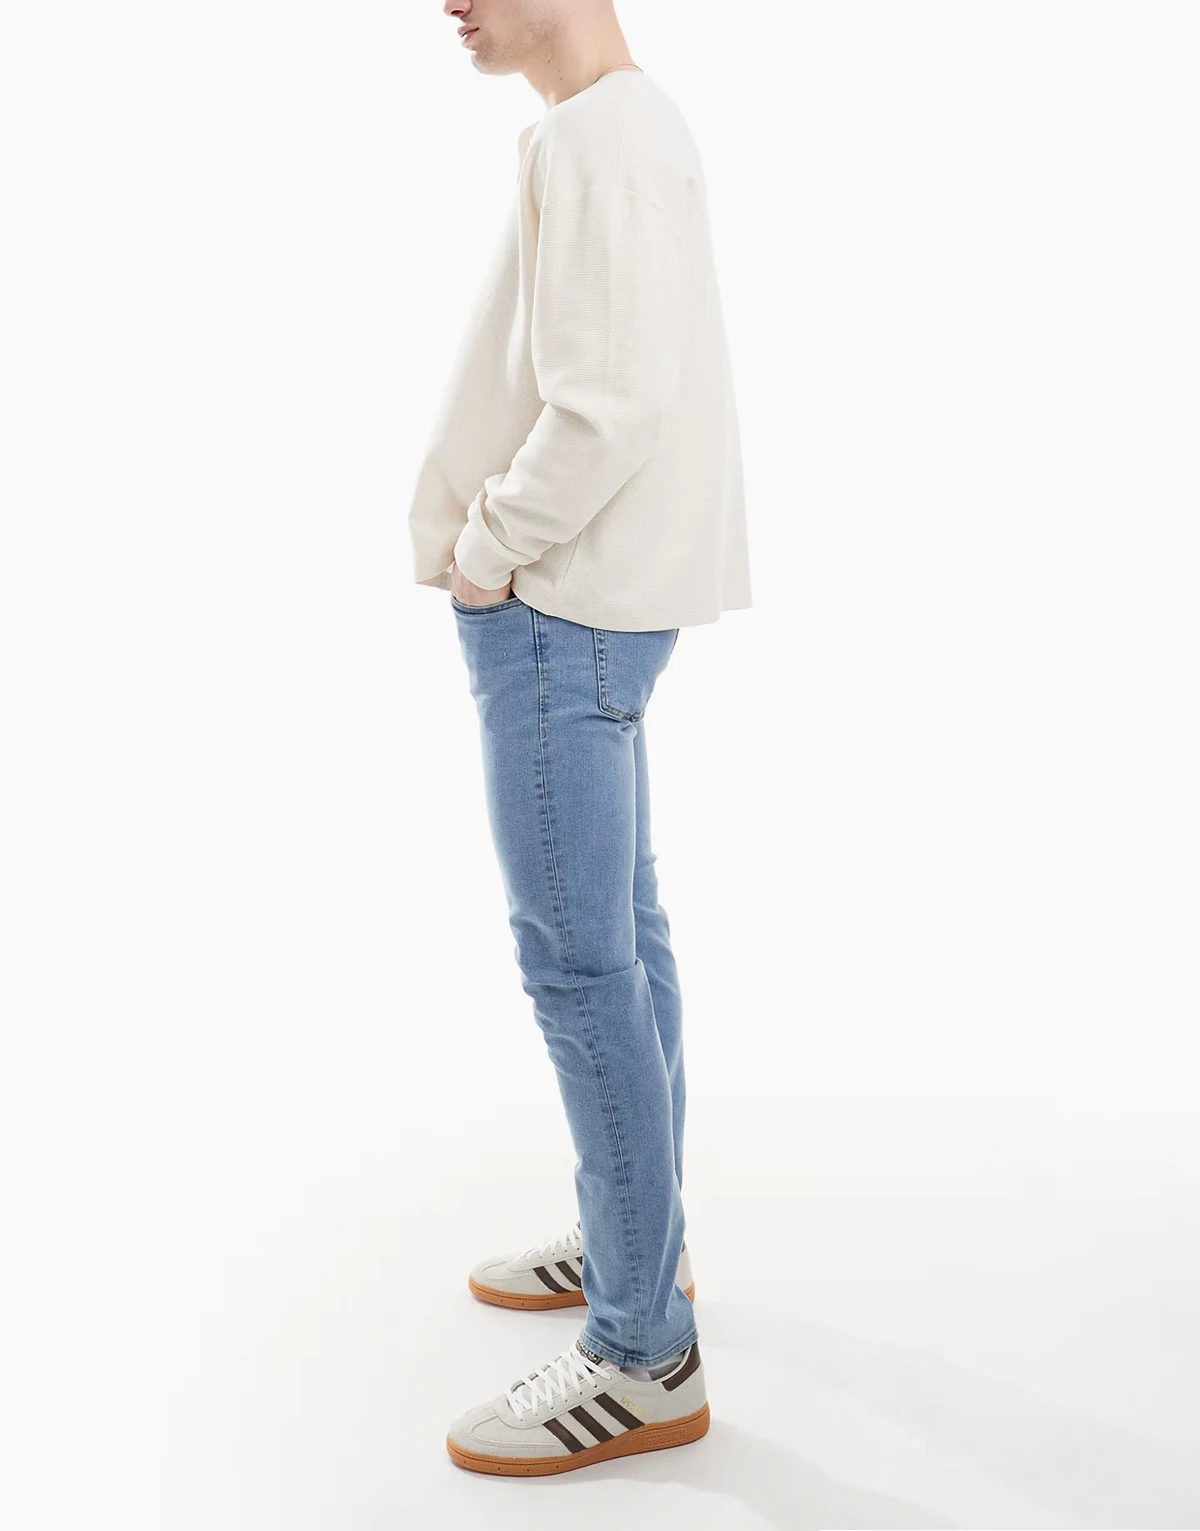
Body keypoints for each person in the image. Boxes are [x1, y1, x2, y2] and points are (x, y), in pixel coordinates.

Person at [408, 0, 751, 1476]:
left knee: (578, 962)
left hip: (560, 607)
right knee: (624, 939)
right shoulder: (623, 123)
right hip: (594, 607)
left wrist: (489, 551)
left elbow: (609, 408)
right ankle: (639, 1247)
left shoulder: (600, 137)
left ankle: (640, 1351)